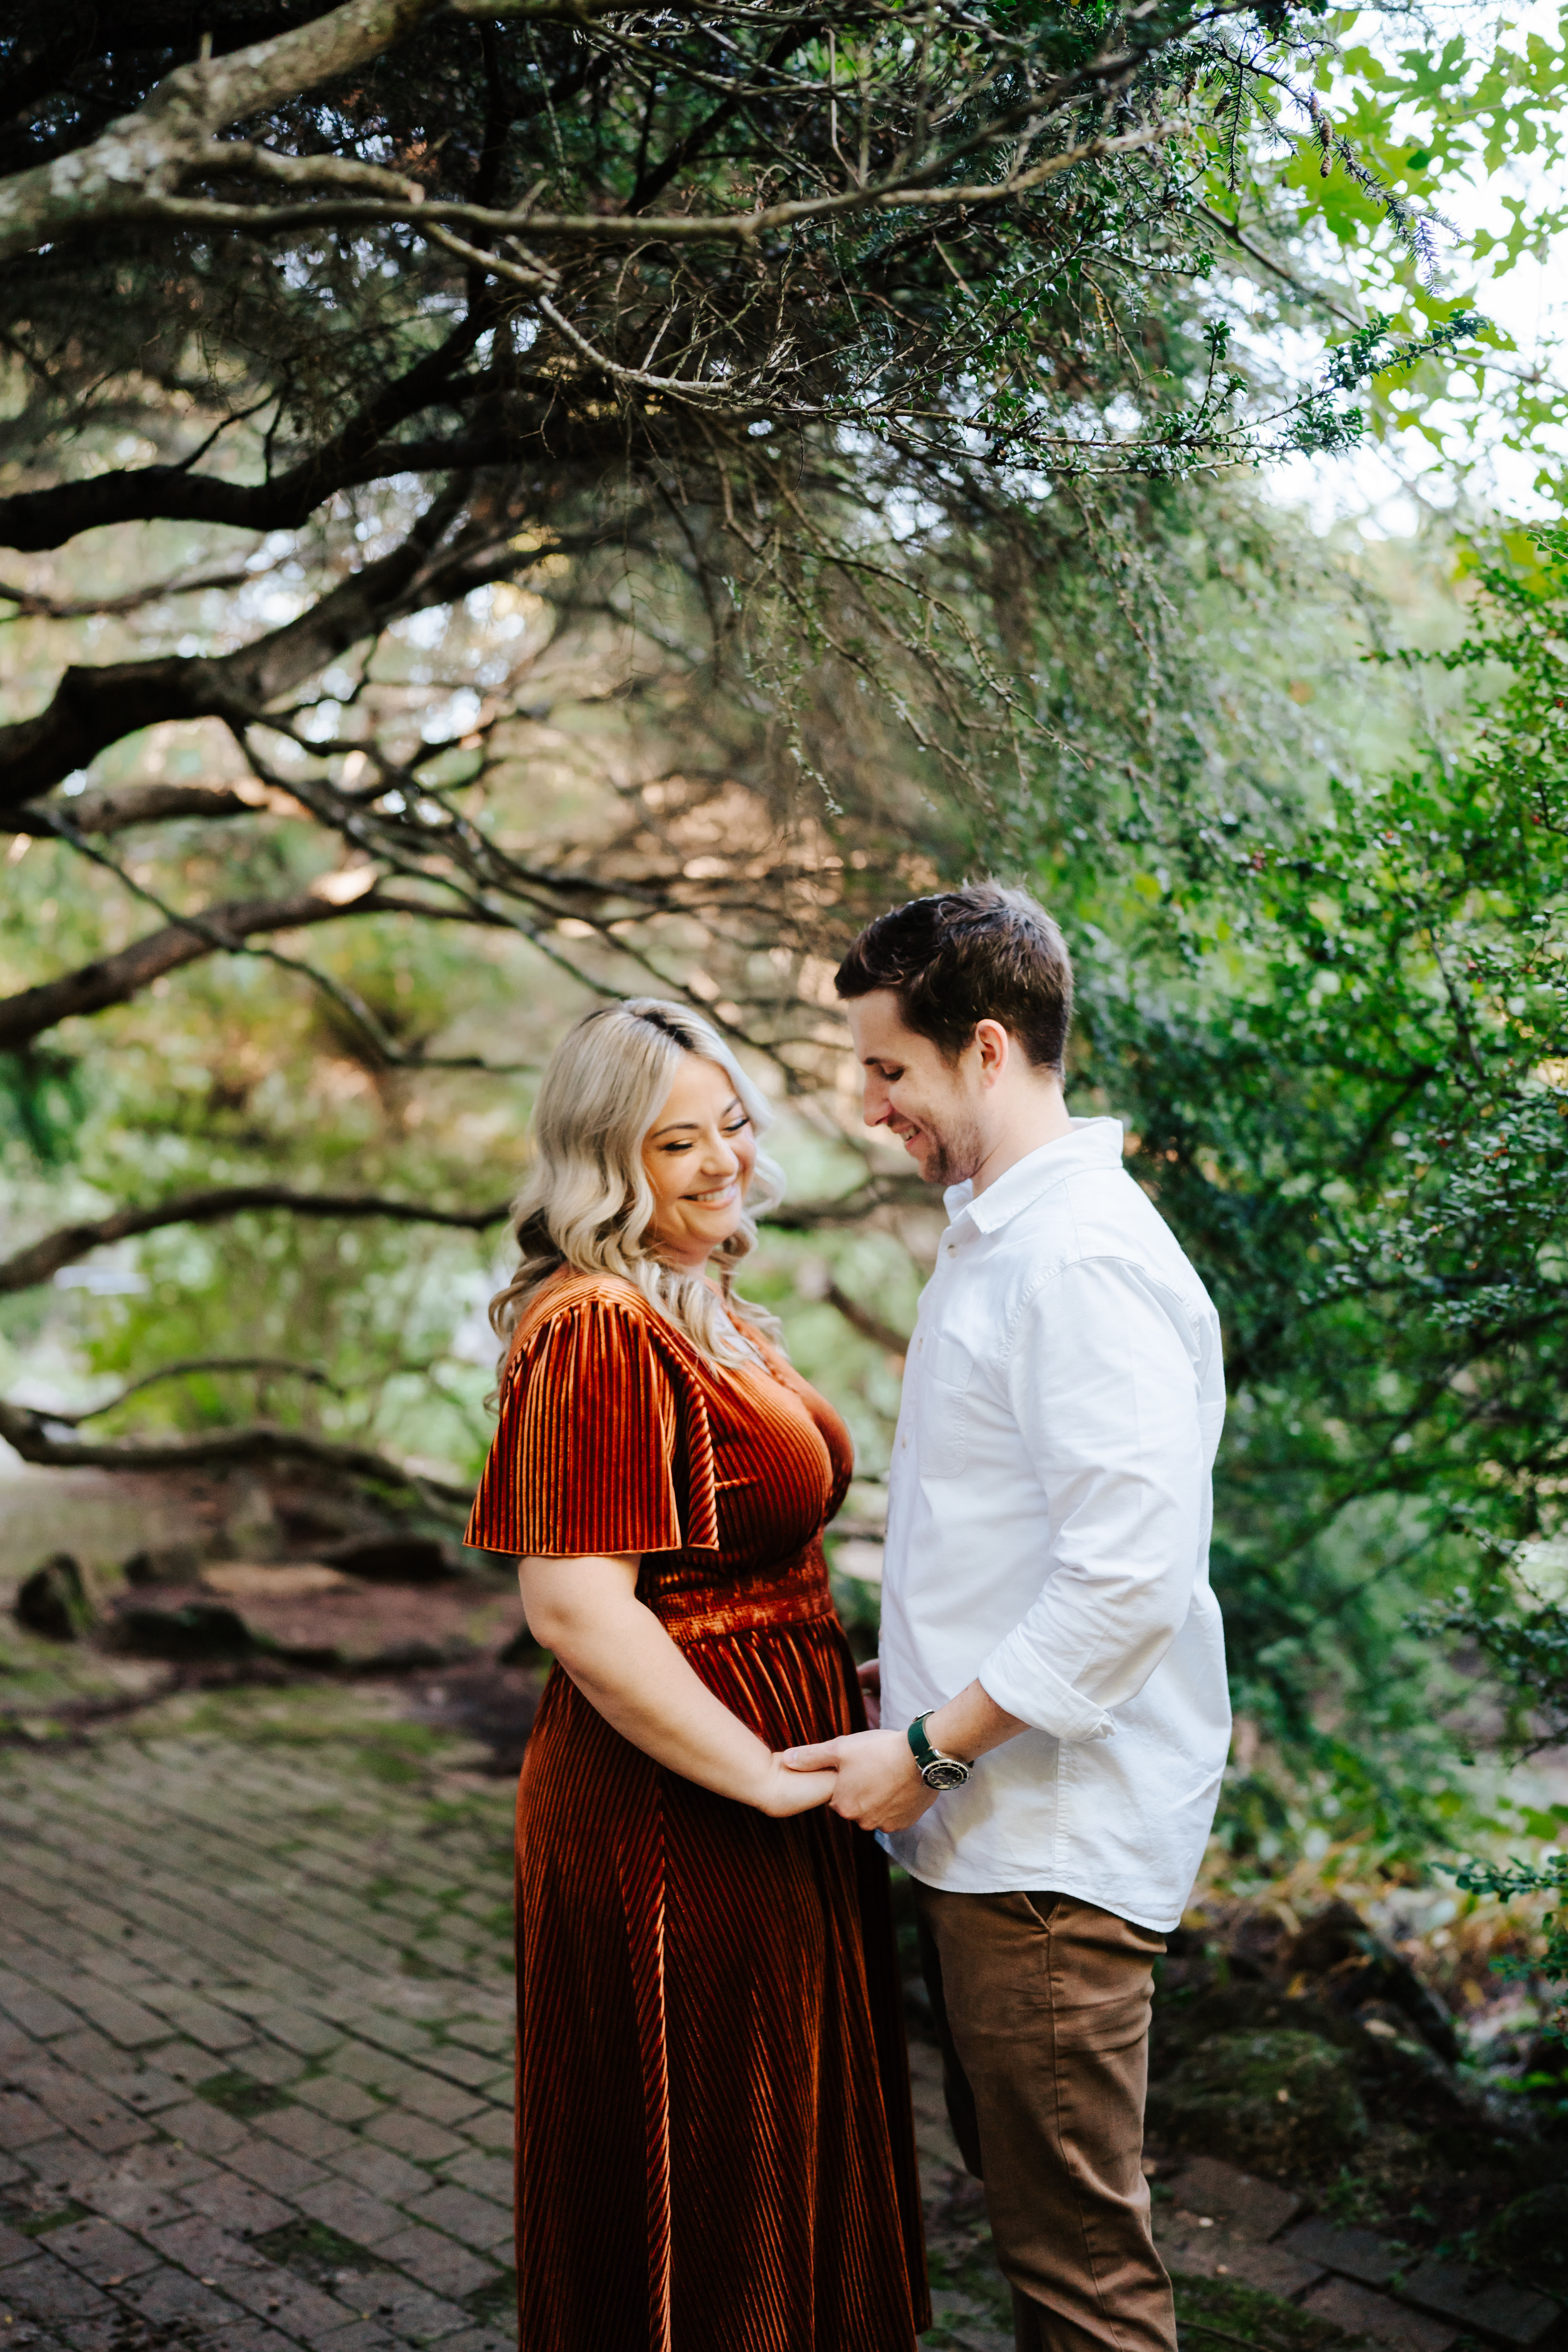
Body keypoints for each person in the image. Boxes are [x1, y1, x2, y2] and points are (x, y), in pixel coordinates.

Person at [784, 882, 1230, 2352]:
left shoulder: (1077, 1257)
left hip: (1042, 1851)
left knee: (1079, 2279)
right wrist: (907, 1668)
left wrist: (930, 1741)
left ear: (987, 1050)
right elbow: (1024, 1536)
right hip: (991, 1826)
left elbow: (1126, 1580)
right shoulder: (1007, 1232)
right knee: (1041, 2237)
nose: (867, 1107)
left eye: (888, 1069)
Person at [465, 997, 928, 2352]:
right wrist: (764, 1784)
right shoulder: (600, 1326)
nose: (724, 1160)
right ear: (608, 1165)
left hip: (774, 1771)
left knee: (779, 2145)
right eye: (679, 1143)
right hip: (682, 1805)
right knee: (707, 2178)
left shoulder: (704, 1302)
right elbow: (576, 1612)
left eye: (730, 1124)